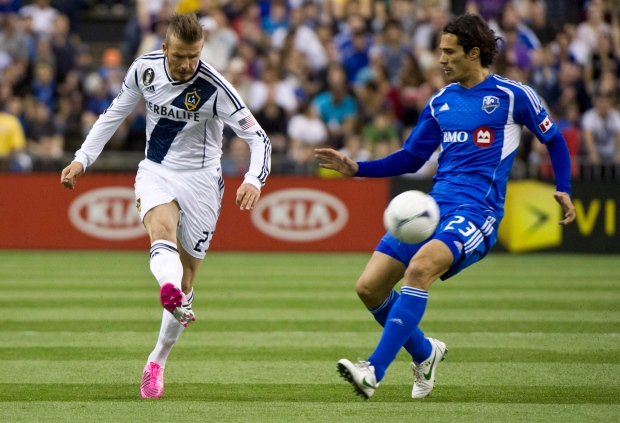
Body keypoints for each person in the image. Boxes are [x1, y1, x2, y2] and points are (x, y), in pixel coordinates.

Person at [315, 13, 575, 400]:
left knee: (419, 270)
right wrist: (357, 169)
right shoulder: (440, 102)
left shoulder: (512, 96)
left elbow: (553, 139)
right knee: (369, 288)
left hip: (478, 213)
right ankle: (425, 352)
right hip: (432, 209)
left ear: (474, 53)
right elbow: (411, 157)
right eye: (440, 51)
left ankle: (373, 370)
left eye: (449, 52)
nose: (441, 59)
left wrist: (564, 186)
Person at [60, 12, 271, 399]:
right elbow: (115, 114)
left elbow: (259, 139)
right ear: (164, 50)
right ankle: (168, 288)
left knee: (189, 279)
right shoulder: (144, 70)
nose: (187, 64)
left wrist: (254, 179)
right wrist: (81, 158)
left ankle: (157, 357)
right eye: (179, 57)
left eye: (194, 56)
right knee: (161, 230)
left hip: (204, 182)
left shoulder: (215, 87)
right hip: (157, 171)